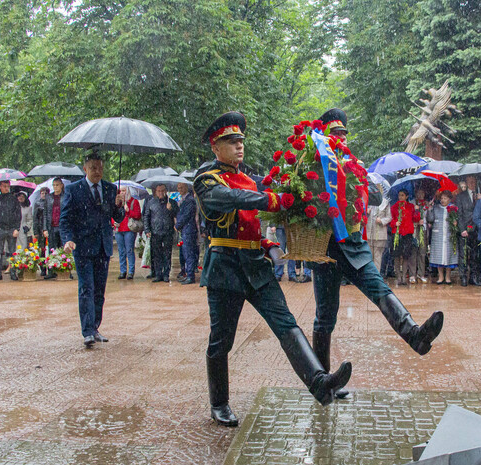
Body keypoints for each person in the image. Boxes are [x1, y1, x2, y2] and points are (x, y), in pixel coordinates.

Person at [196, 111, 351, 427]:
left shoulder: (249, 178)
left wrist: (266, 242)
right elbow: (230, 199)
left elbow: (250, 218)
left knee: (286, 323)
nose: (239, 146)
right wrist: (270, 199)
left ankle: (319, 381)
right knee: (222, 340)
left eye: (240, 140)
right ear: (215, 146)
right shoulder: (206, 179)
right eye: (231, 141)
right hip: (225, 268)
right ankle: (219, 402)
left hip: (256, 266)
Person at [308, 108, 443, 400]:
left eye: (344, 134)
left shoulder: (354, 167)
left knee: (380, 290)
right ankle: (325, 383)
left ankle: (415, 336)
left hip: (353, 247)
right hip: (326, 248)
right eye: (336, 134)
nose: (341, 139)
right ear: (326, 136)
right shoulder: (315, 162)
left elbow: (377, 197)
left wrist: (364, 182)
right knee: (325, 317)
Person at [59, 151, 126, 348]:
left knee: (99, 291)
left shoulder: (110, 189)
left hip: (103, 247)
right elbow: (65, 219)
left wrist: (119, 206)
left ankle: (95, 327)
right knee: (86, 288)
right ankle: (87, 331)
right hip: (82, 246)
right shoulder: (73, 190)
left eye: (101, 168)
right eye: (94, 168)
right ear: (85, 169)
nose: (98, 172)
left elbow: (118, 217)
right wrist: (68, 239)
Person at [143, 183, 179, 283]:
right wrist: (147, 230)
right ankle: (158, 274)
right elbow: (146, 216)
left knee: (167, 253)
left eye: (162, 190)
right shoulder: (151, 202)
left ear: (166, 191)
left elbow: (177, 214)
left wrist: (171, 209)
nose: (161, 193)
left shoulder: (171, 202)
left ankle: (166, 274)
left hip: (168, 232)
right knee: (156, 254)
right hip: (155, 232)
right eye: (159, 191)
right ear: (156, 191)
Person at [0, 180, 21, 281]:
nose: (7, 188)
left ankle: (13, 272)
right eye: (4, 186)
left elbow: (18, 214)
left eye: (8, 186)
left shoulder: (14, 199)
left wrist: (17, 228)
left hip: (11, 228)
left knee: (12, 251)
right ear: (0, 187)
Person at [427, 189, 458, 284]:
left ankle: (448, 277)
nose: (443, 200)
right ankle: (440, 276)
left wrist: (455, 223)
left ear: (449, 199)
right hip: (438, 236)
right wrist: (430, 209)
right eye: (442, 198)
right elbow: (430, 219)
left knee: (448, 255)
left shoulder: (453, 208)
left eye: (445, 198)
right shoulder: (436, 208)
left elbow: (458, 219)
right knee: (439, 256)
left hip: (449, 235)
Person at [390, 190, 420, 285]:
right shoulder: (394, 207)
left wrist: (417, 210)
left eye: (402, 195)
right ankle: (398, 276)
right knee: (397, 255)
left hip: (407, 234)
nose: (400, 197)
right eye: (399, 195)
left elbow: (416, 219)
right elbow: (390, 220)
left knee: (406, 255)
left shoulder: (411, 206)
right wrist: (395, 223)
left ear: (407, 196)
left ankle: (404, 276)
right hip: (397, 233)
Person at [454, 177, 480, 286]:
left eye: (474, 181)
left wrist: (479, 201)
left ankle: (473, 276)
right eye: (470, 182)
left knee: (475, 254)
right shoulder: (460, 196)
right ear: (466, 183)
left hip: (477, 229)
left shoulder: (479, 195)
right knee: (463, 254)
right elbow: (459, 214)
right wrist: (462, 229)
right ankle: (463, 276)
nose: (472, 183)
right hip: (465, 228)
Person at [41, 178, 66, 280]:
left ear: (61, 185)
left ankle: (64, 269)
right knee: (52, 249)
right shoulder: (49, 197)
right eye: (54, 185)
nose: (55, 187)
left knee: (63, 249)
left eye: (57, 185)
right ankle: (51, 270)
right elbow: (45, 213)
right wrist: (45, 228)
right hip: (51, 226)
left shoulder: (66, 196)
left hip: (62, 226)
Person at [114, 186, 142, 280]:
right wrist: (113, 222)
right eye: (120, 191)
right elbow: (111, 214)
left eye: (124, 190)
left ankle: (131, 271)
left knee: (129, 250)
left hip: (129, 229)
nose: (122, 192)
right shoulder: (116, 203)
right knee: (121, 251)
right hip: (119, 230)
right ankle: (123, 271)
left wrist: (128, 210)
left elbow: (138, 215)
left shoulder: (134, 201)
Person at [175, 182, 198, 284]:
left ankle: (190, 276)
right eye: (178, 187)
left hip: (189, 230)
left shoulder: (189, 200)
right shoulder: (183, 200)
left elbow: (186, 215)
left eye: (182, 187)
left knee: (189, 253)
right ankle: (188, 274)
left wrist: (177, 225)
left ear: (186, 188)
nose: (180, 189)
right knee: (185, 253)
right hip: (185, 230)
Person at [366, 183, 392, 274]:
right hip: (369, 233)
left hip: (380, 234)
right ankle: (370, 275)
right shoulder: (368, 201)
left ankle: (376, 276)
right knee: (369, 256)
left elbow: (389, 217)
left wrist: (381, 220)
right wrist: (366, 213)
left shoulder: (385, 202)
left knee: (377, 257)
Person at [409, 187, 429, 284]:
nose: (420, 195)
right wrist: (415, 213)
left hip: (424, 229)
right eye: (419, 193)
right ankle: (412, 274)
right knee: (413, 251)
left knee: (422, 252)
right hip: (414, 229)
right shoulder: (412, 203)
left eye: (422, 193)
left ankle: (421, 274)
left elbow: (430, 217)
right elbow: (408, 216)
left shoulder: (426, 204)